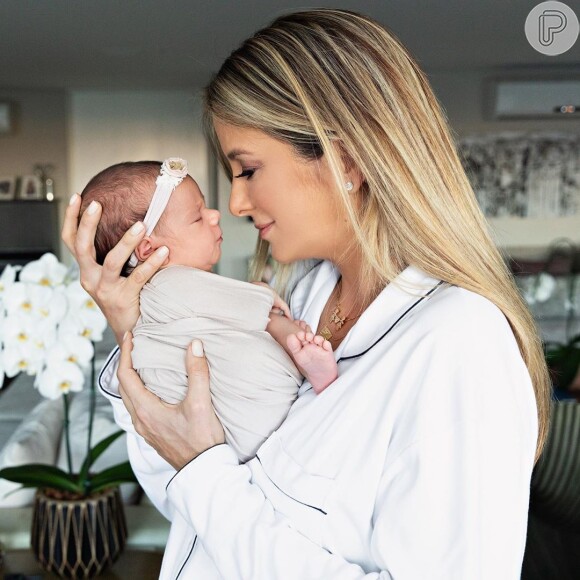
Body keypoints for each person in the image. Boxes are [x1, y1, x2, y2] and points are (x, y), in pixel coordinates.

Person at [63, 8, 551, 579]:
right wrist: (134, 327)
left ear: (344, 159)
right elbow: (184, 500)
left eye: (246, 171)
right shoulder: (303, 294)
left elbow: (204, 480)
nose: (238, 205)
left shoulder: (458, 342)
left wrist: (204, 471)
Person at [78, 157, 339, 460]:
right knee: (265, 327)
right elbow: (249, 308)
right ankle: (306, 364)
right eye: (197, 217)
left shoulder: (149, 304)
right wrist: (263, 293)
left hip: (226, 436)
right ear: (149, 250)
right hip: (253, 410)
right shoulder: (170, 283)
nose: (215, 214)